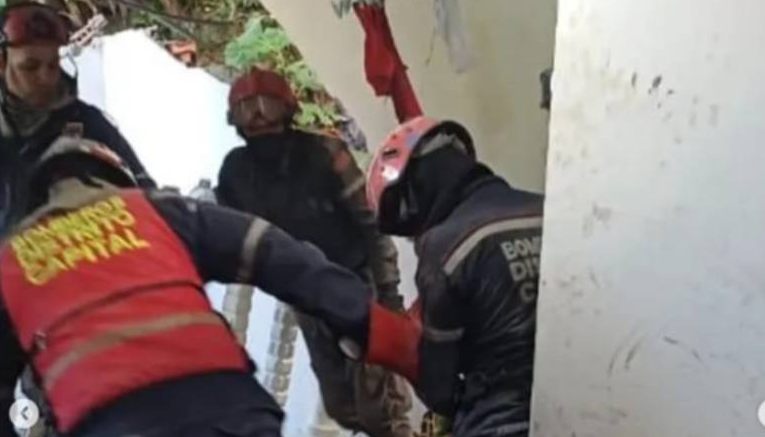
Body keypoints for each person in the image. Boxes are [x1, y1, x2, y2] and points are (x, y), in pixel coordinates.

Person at [0, 137, 404, 437]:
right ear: (120, 181)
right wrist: (391, 336)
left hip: (109, 422)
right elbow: (280, 256)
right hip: (227, 410)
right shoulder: (159, 211)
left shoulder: (13, 259)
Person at [217, 67, 412, 437]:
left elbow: (370, 223)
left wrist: (387, 293)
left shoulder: (325, 152)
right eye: (247, 110)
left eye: (267, 107)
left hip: (357, 287)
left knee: (381, 405)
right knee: (341, 405)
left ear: (287, 109)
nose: (259, 119)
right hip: (305, 297)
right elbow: (225, 231)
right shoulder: (235, 172)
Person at [360, 116, 545, 437]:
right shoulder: (545, 209)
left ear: (413, 195)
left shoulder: (445, 249)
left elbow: (440, 389)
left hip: (500, 422)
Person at [0, 2, 154, 237]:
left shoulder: (86, 122)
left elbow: (146, 192)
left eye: (53, 65)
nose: (46, 78)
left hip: (87, 250)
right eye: (30, 67)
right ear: (2, 63)